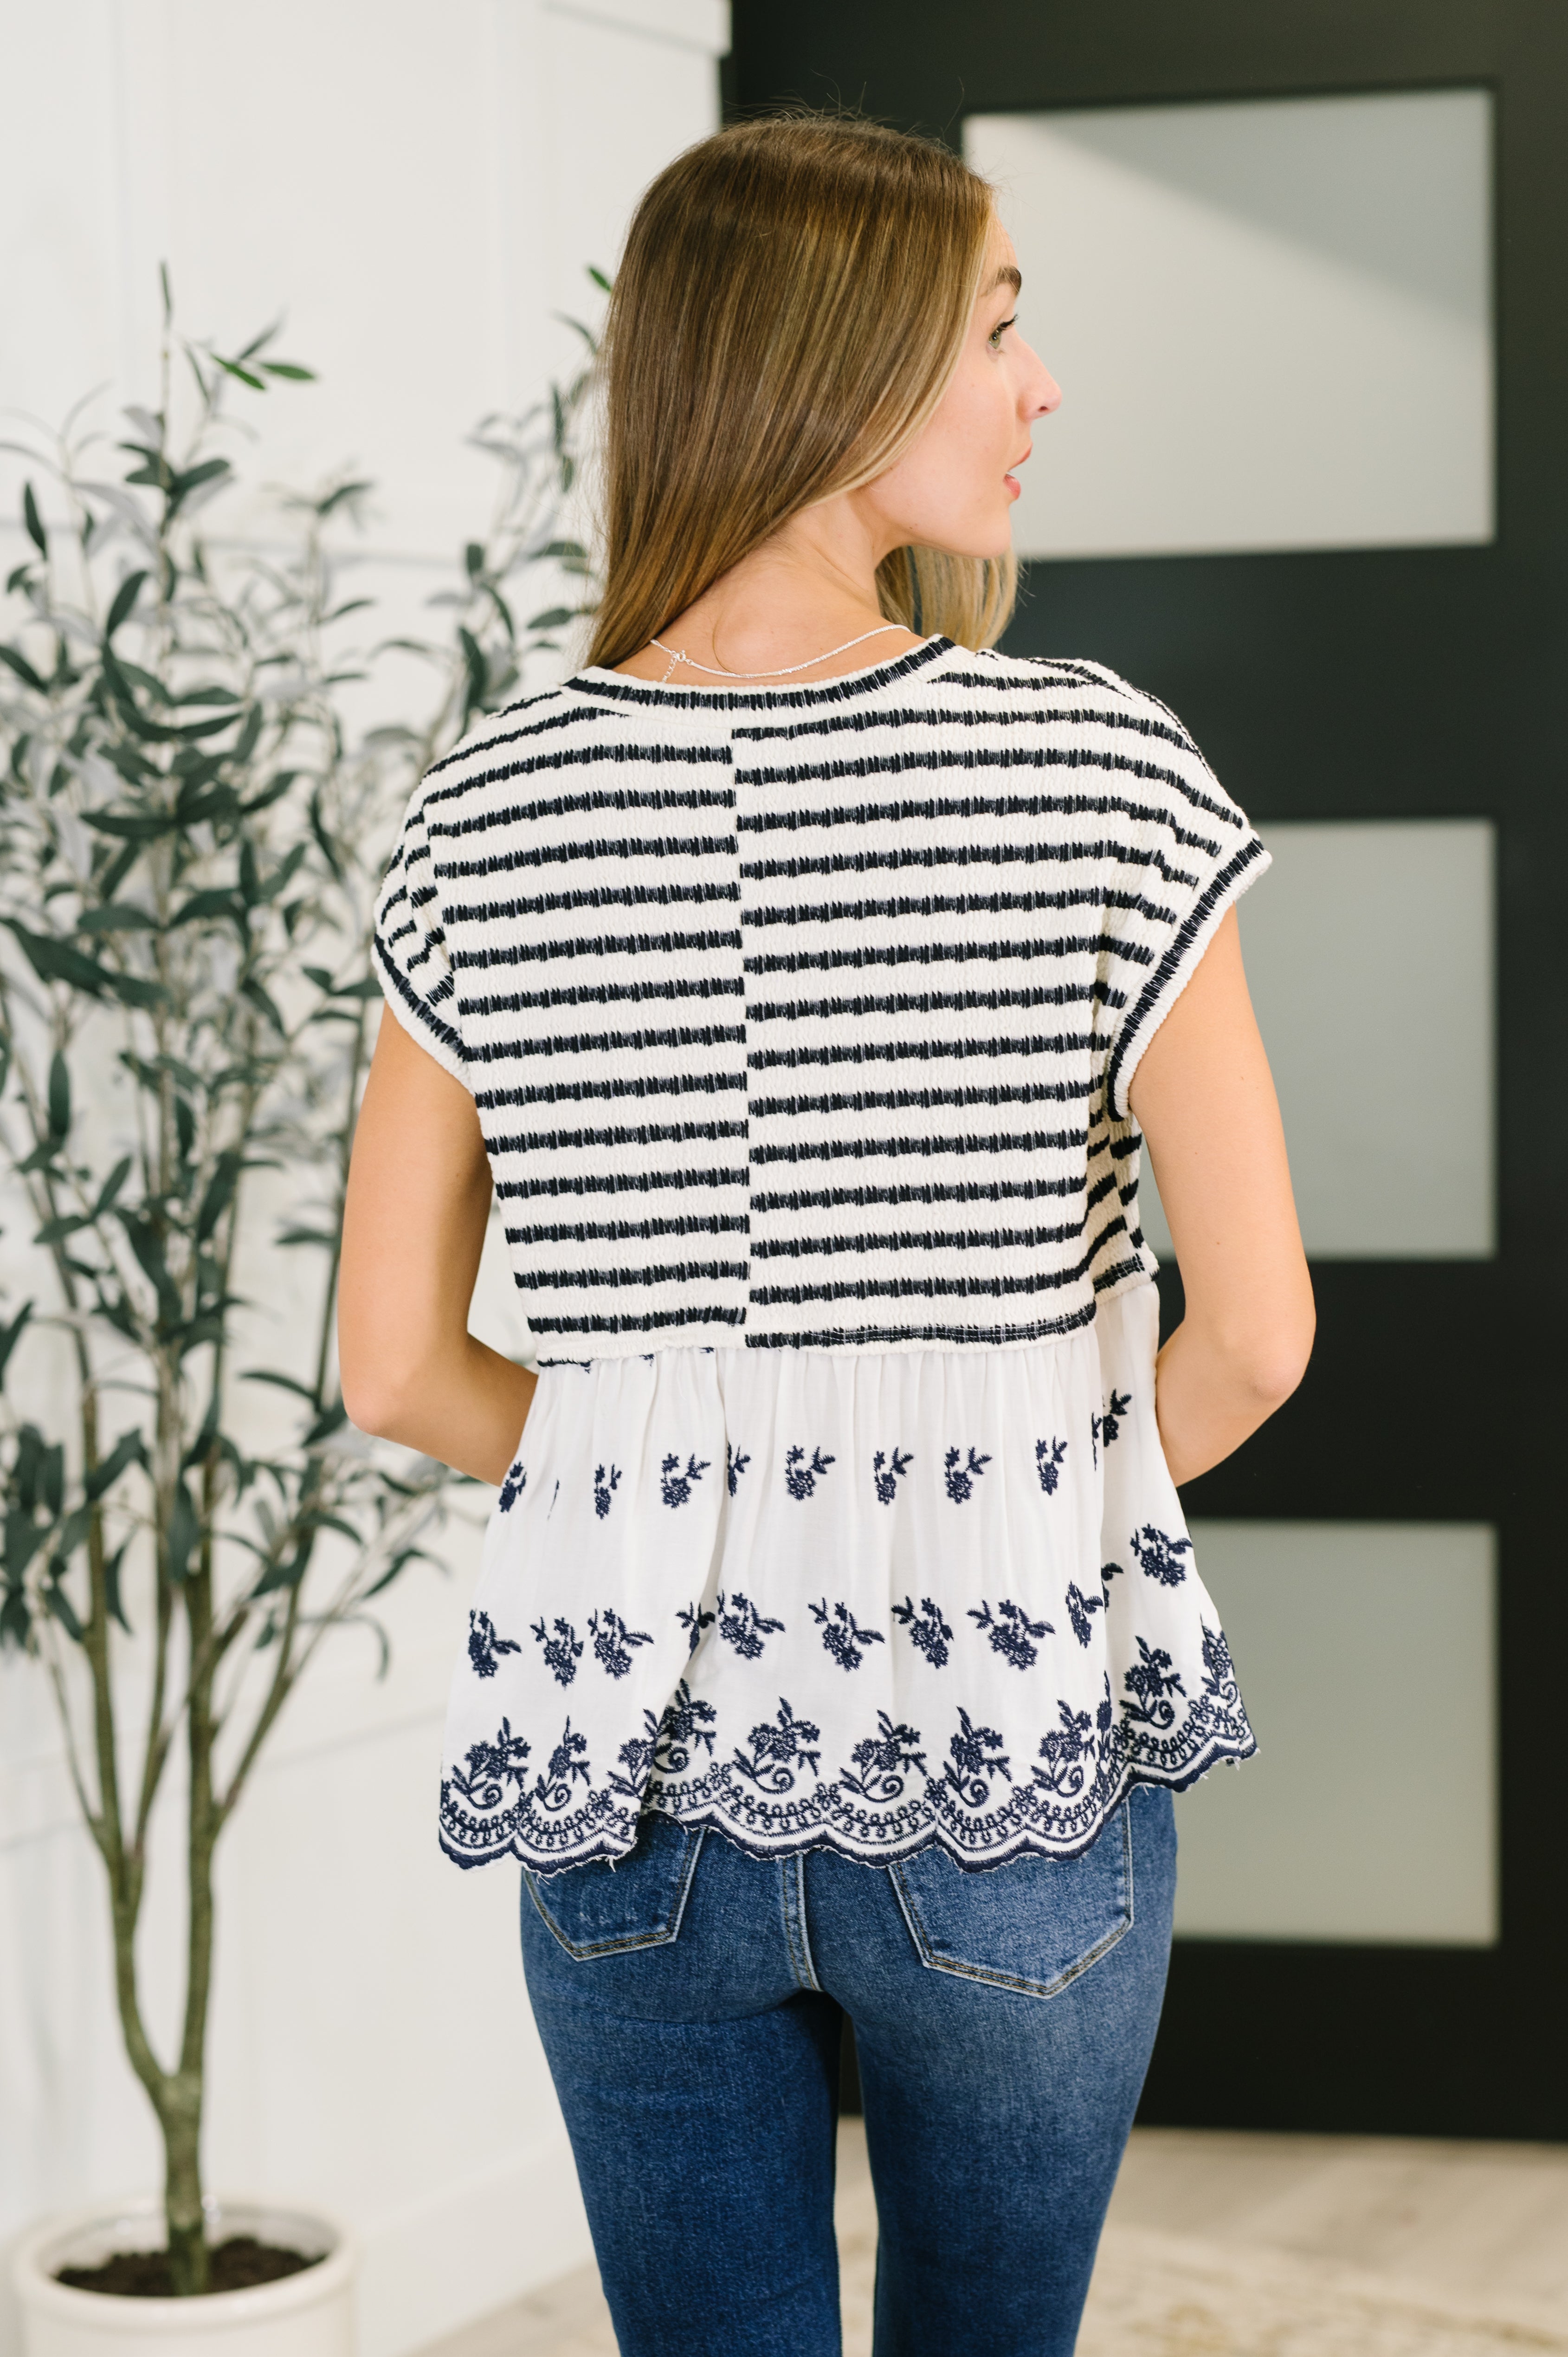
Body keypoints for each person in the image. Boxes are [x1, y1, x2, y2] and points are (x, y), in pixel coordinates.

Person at [339, 112, 1314, 2357]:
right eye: (994, 329)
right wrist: (1003, 1510)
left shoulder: (480, 813)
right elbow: (1252, 1334)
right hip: (998, 1755)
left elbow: (392, 1365)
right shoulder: (1093, 769)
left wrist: (675, 1499)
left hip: (627, 1787)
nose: (1040, 384)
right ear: (832, 365)